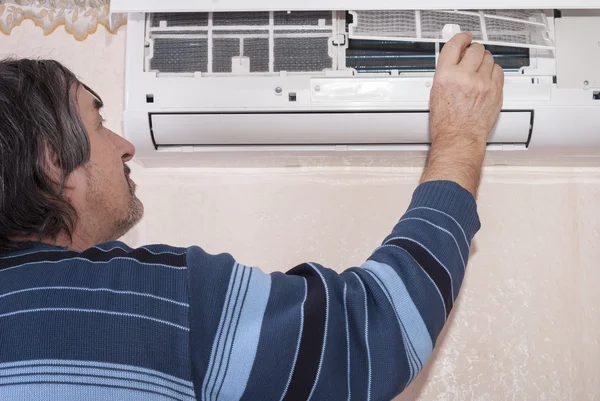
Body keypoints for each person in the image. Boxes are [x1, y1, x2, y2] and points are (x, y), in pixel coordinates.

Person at [0, 32, 503, 401]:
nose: (126, 146)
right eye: (100, 123)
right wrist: (460, 138)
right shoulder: (154, 304)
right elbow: (374, 331)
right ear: (52, 160)